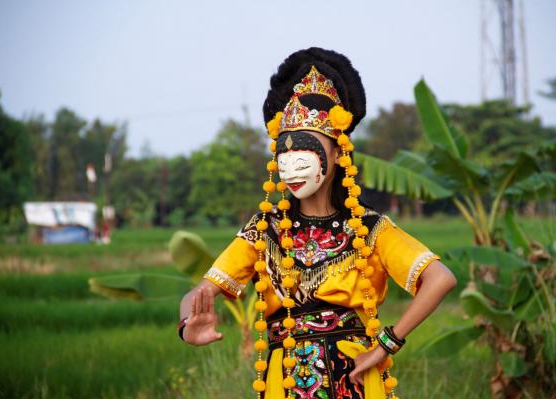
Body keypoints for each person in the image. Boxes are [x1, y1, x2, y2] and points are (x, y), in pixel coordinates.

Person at [178, 47, 458, 399]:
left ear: (339, 153)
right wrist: (188, 323)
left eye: (304, 153)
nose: (292, 167)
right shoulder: (266, 230)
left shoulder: (368, 229)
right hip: (286, 382)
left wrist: (386, 344)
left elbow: (440, 279)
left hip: (353, 379)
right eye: (285, 155)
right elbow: (199, 293)